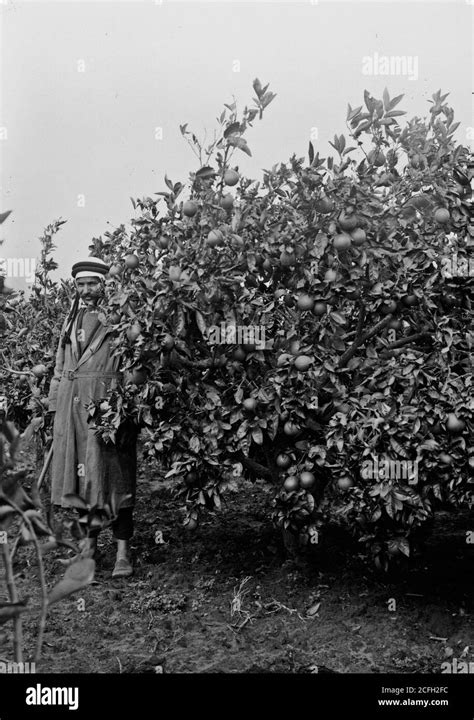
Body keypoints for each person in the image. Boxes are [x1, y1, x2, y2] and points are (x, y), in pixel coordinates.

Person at [47, 257, 137, 578]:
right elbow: (60, 367)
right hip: (73, 407)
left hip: (108, 406)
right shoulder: (71, 319)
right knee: (83, 482)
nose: (87, 290)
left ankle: (123, 554)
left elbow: (134, 358)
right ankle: (88, 549)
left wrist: (126, 406)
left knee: (115, 478)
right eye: (81, 284)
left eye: (92, 283)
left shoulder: (119, 315)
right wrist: (54, 409)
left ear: (104, 284)